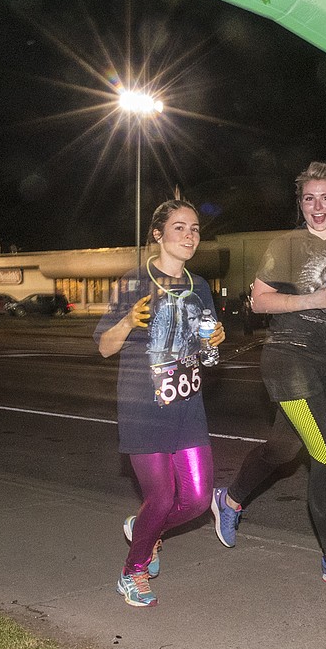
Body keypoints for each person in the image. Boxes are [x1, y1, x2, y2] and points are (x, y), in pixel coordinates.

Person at [210, 162, 326, 587]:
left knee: (283, 452)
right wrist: (311, 299)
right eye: (309, 198)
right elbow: (260, 302)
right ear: (301, 203)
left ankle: (229, 500)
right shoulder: (286, 244)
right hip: (287, 362)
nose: (317, 206)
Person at [96, 199, 225, 607]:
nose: (189, 236)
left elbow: (206, 354)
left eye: (195, 229)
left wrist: (214, 343)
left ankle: (144, 526)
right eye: (179, 228)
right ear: (158, 234)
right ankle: (132, 571)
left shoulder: (200, 286)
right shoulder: (134, 283)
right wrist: (127, 320)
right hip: (143, 407)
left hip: (188, 406)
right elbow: (104, 347)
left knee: (199, 499)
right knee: (164, 497)